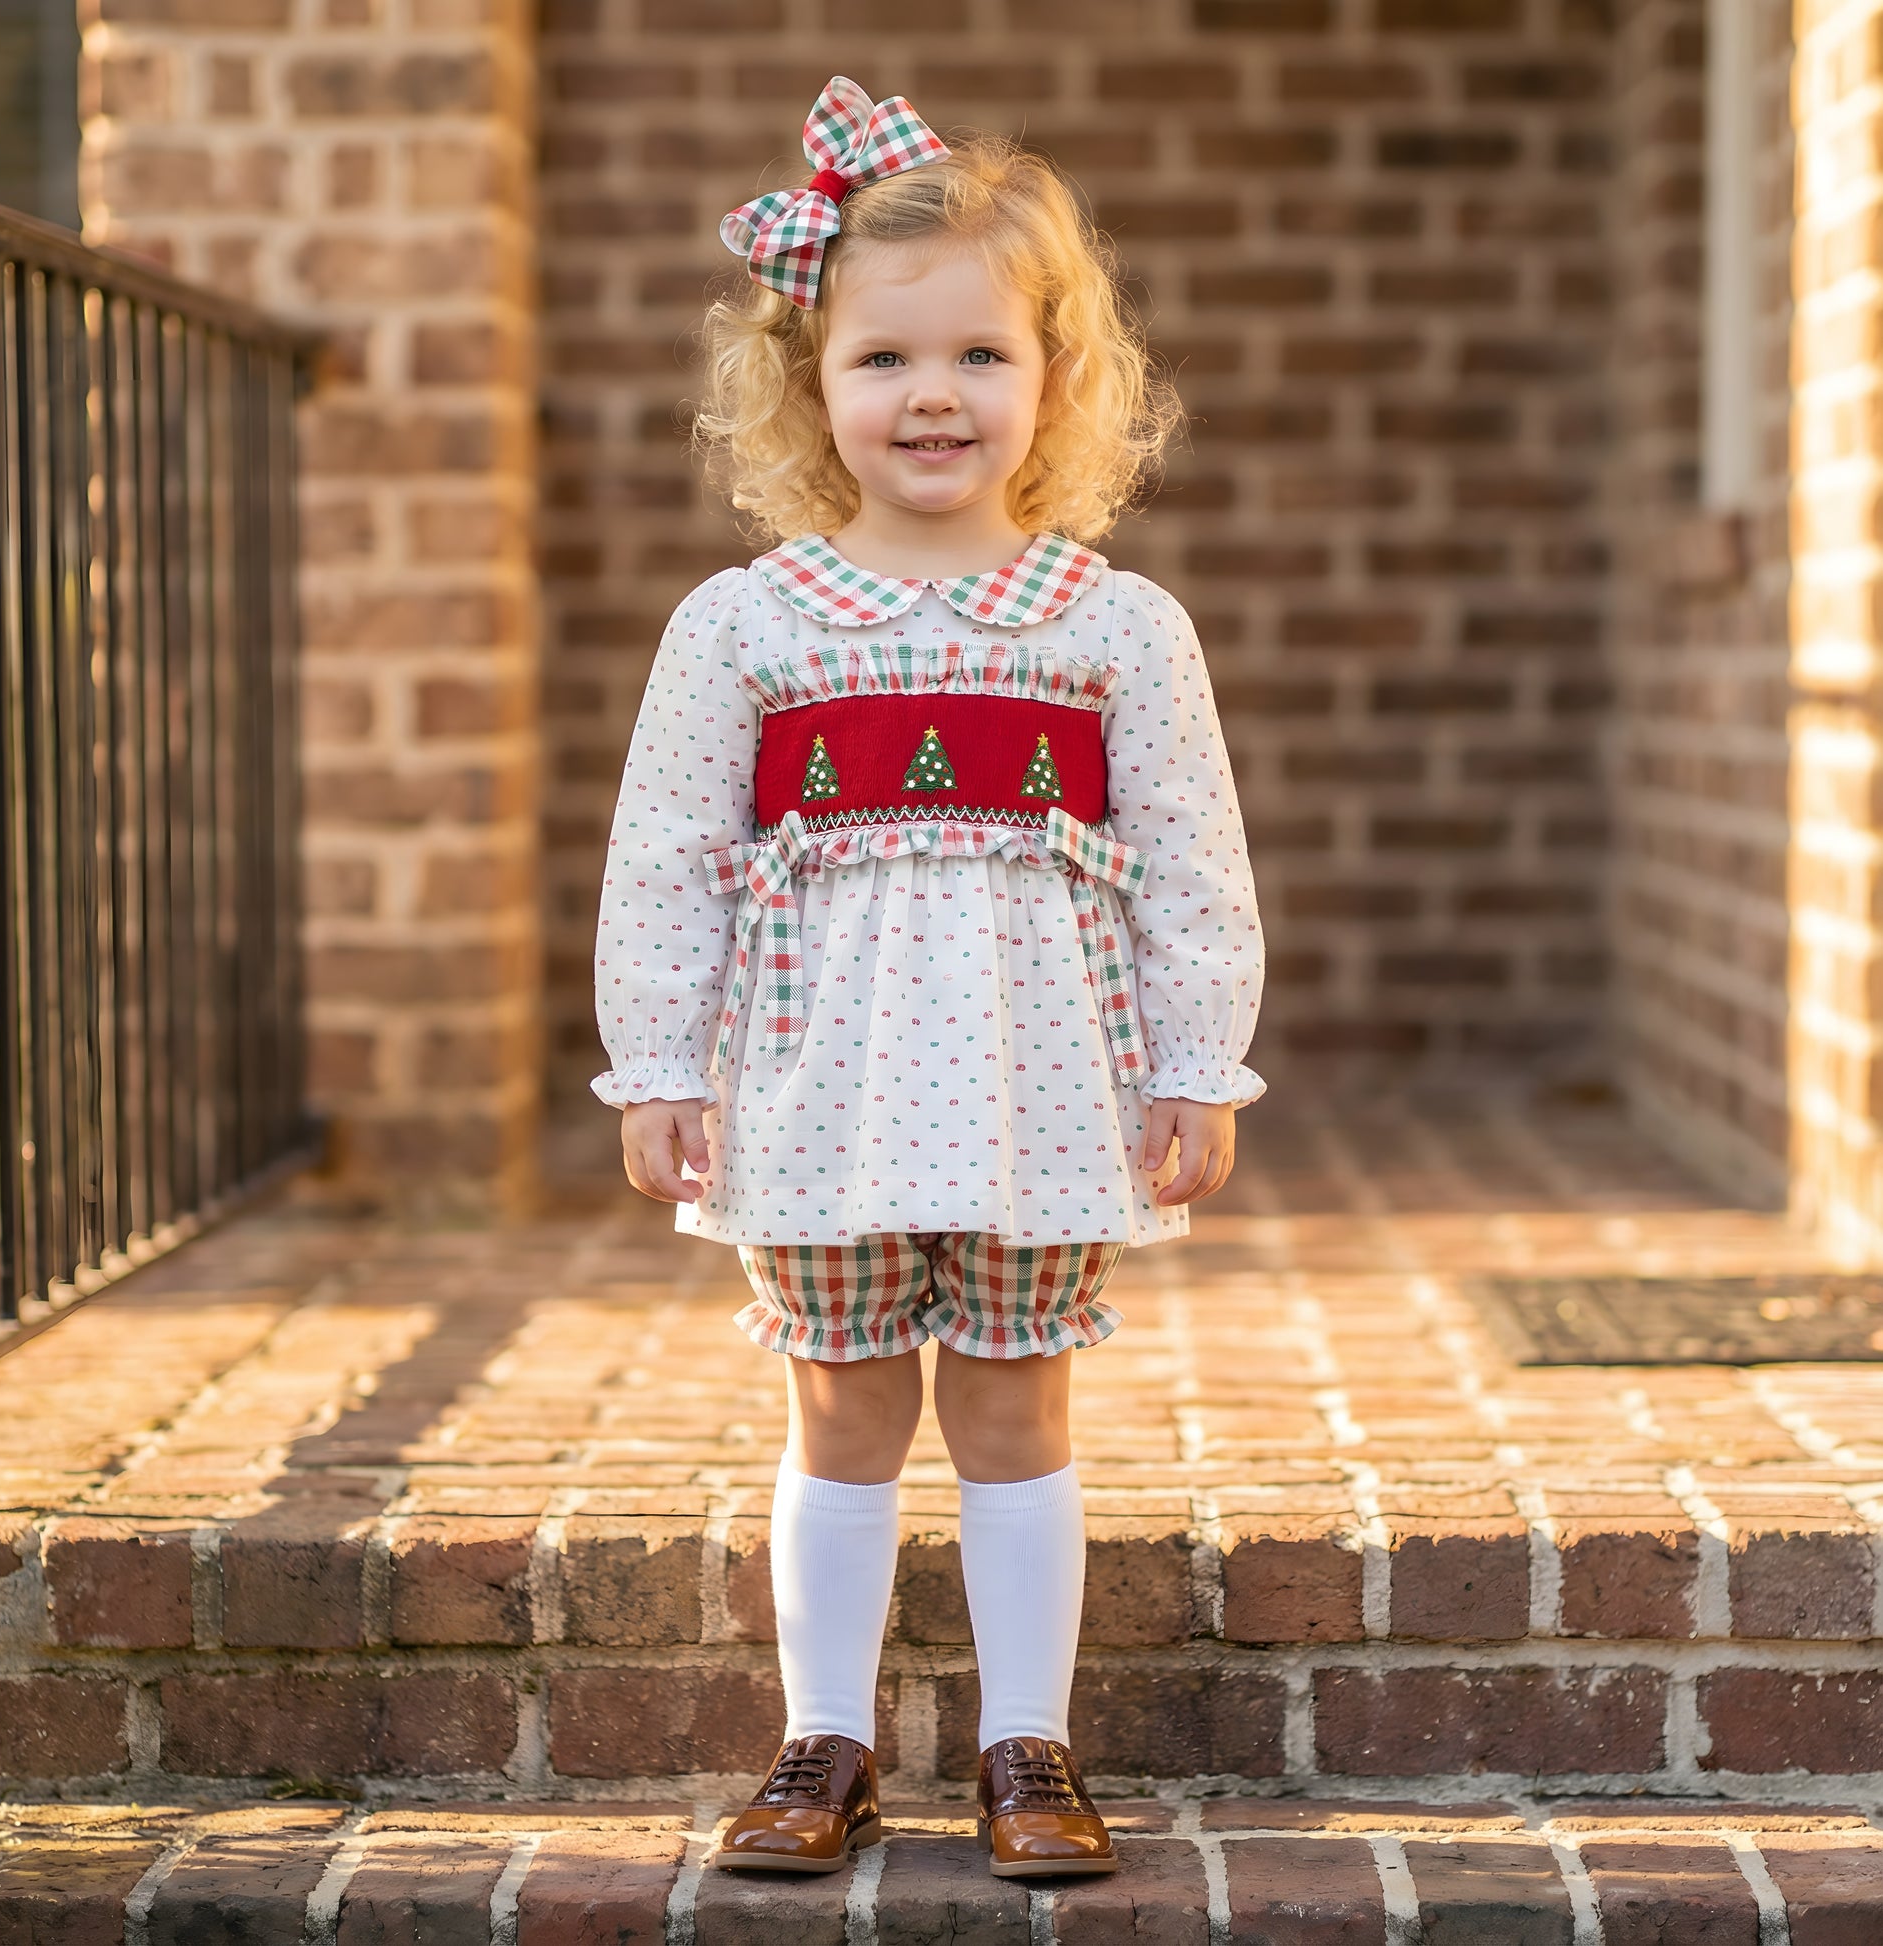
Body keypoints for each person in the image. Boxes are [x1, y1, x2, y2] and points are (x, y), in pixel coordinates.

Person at [590, 76, 1264, 1880]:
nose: (934, 394)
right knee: (842, 1401)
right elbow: (665, 860)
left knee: (1015, 1402)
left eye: (980, 352)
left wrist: (1196, 1064)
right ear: (812, 382)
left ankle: (1025, 1745)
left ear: (1055, 378)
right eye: (887, 358)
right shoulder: (747, 623)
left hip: (1044, 1088)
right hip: (815, 1085)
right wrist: (659, 1062)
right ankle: (822, 1741)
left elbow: (1194, 865)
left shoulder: (1111, 623)